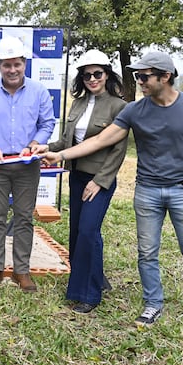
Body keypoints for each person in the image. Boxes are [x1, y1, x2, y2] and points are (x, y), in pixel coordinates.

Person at [42, 51, 183, 337]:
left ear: (166, 76)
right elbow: (102, 139)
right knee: (147, 253)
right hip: (147, 191)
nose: (139, 81)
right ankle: (152, 304)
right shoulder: (134, 110)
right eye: (137, 76)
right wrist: (59, 154)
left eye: (144, 76)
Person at [0, 35, 56, 292]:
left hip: (27, 165)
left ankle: (22, 271)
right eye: (6, 65)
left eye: (16, 64)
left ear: (24, 64)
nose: (12, 70)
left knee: (24, 218)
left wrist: (35, 144)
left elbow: (47, 123)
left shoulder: (39, 91)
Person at [48, 49, 127, 314]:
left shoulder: (118, 106)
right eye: (86, 75)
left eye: (97, 73)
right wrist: (44, 149)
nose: (92, 79)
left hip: (99, 180)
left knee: (88, 231)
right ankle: (97, 278)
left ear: (107, 75)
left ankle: (88, 296)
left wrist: (101, 181)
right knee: (78, 232)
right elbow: (67, 141)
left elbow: (118, 150)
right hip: (77, 176)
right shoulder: (78, 103)